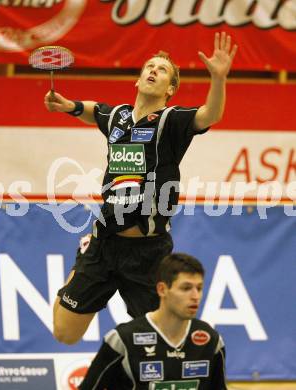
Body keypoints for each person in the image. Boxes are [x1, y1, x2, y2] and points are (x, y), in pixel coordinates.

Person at [45, 32, 237, 345]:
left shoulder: (171, 122)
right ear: (138, 80)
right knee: (65, 334)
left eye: (162, 70)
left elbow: (210, 114)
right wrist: (71, 106)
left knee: (162, 337)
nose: (153, 71)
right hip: (104, 244)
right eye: (149, 66)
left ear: (170, 89)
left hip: (148, 253)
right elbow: (97, 111)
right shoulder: (118, 116)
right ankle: (83, 259)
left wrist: (218, 78)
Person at [78, 253, 227, 390]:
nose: (196, 296)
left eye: (199, 288)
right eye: (186, 288)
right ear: (162, 289)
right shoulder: (123, 340)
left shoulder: (211, 341)